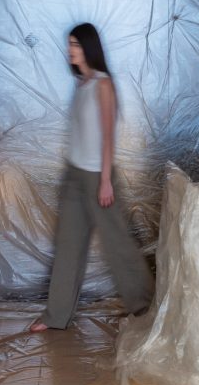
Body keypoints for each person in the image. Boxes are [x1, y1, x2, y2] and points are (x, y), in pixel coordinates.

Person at [29, 23, 154, 332]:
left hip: (99, 175)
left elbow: (108, 135)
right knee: (68, 246)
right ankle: (56, 315)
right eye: (69, 44)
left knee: (117, 243)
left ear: (88, 47)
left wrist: (106, 180)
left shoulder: (102, 84)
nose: (70, 50)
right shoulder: (81, 84)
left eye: (75, 45)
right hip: (74, 174)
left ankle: (146, 307)